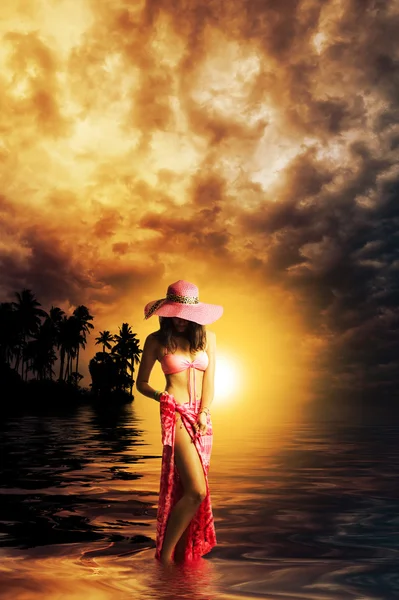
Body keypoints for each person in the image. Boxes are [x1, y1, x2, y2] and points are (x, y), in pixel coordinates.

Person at [136, 280, 223, 566]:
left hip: (202, 419)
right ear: (166, 312)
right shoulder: (156, 341)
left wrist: (204, 412)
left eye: (185, 315)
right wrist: (160, 395)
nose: (179, 320)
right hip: (175, 415)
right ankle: (165, 557)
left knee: (189, 491)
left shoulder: (208, 339)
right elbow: (142, 383)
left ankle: (183, 556)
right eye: (174, 314)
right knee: (197, 490)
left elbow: (210, 382)